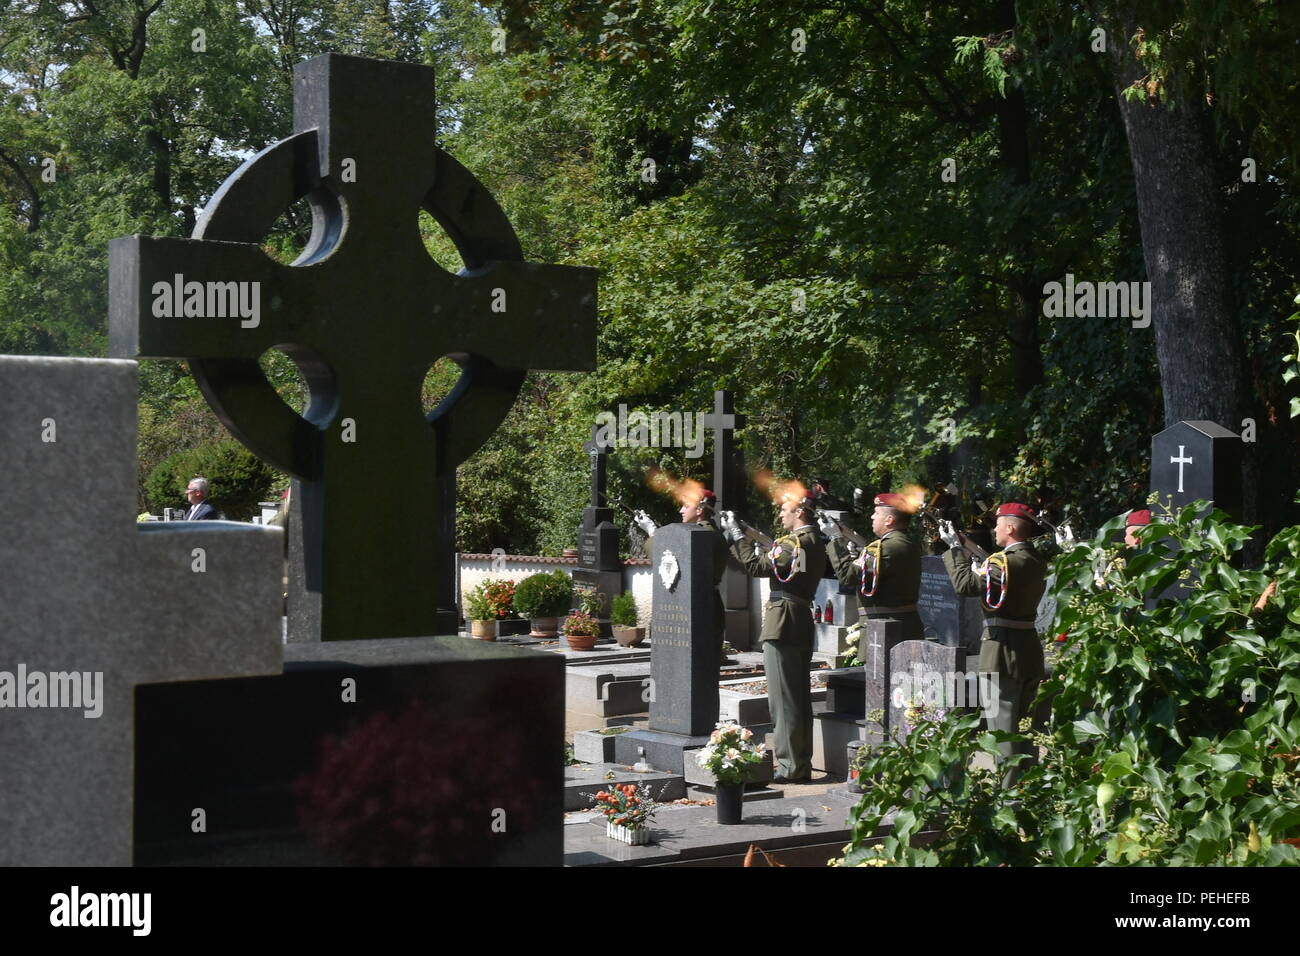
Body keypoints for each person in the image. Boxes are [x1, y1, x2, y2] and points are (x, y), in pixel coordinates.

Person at [719, 493, 827, 783]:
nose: (781, 515)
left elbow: (756, 567)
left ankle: (790, 767)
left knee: (784, 700)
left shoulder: (795, 543)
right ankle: (799, 763)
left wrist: (737, 535)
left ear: (800, 514)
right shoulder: (813, 541)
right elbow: (785, 570)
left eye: (785, 510)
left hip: (784, 621)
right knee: (798, 698)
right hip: (798, 619)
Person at [939, 502, 1047, 785]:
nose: (994, 529)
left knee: (1004, 731)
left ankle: (1008, 795)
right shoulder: (1034, 559)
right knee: (1026, 729)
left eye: (998, 524)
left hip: (1001, 651)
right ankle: (1027, 787)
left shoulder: (1004, 563)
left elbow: (964, 585)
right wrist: (973, 551)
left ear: (1010, 528)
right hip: (1028, 649)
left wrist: (954, 549)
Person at [818, 492, 923, 640]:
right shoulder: (904, 543)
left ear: (889, 520)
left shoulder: (885, 548)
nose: (872, 517)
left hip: (884, 629)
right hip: (900, 625)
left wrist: (835, 538)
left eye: (876, 513)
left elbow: (847, 576)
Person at [633, 489, 728, 647]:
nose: (681, 510)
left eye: (685, 505)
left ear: (699, 510)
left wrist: (651, 531)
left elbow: (667, 560)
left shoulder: (703, 535)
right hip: (703, 603)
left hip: (698, 606)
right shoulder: (707, 532)